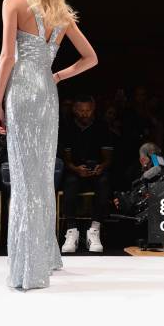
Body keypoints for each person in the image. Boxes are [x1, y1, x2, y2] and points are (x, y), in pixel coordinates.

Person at [0, 0, 98, 290]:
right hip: (47, 94)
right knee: (40, 178)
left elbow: (8, 56)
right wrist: (56, 77)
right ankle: (44, 256)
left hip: (22, 90)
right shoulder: (61, 14)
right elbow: (90, 59)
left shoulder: (14, 3)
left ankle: (28, 268)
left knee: (25, 180)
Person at [60, 95, 113, 253]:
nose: (85, 114)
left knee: (105, 182)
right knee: (70, 183)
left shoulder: (102, 127)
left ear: (93, 109)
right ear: (75, 110)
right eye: (81, 110)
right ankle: (71, 231)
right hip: (75, 170)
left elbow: (108, 158)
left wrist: (101, 166)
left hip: (96, 169)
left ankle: (94, 230)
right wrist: (76, 169)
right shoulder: (68, 128)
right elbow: (66, 159)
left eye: (88, 110)